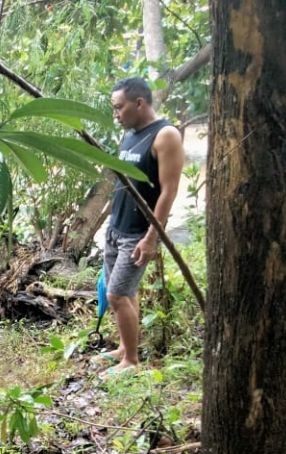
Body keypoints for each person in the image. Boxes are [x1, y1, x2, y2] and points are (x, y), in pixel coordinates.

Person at [94, 76, 185, 377]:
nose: (115, 115)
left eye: (119, 108)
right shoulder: (130, 134)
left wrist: (151, 238)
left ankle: (131, 362)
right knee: (126, 294)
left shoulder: (165, 135)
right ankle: (124, 348)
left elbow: (169, 192)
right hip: (116, 228)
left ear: (139, 103)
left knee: (117, 295)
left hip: (138, 233)